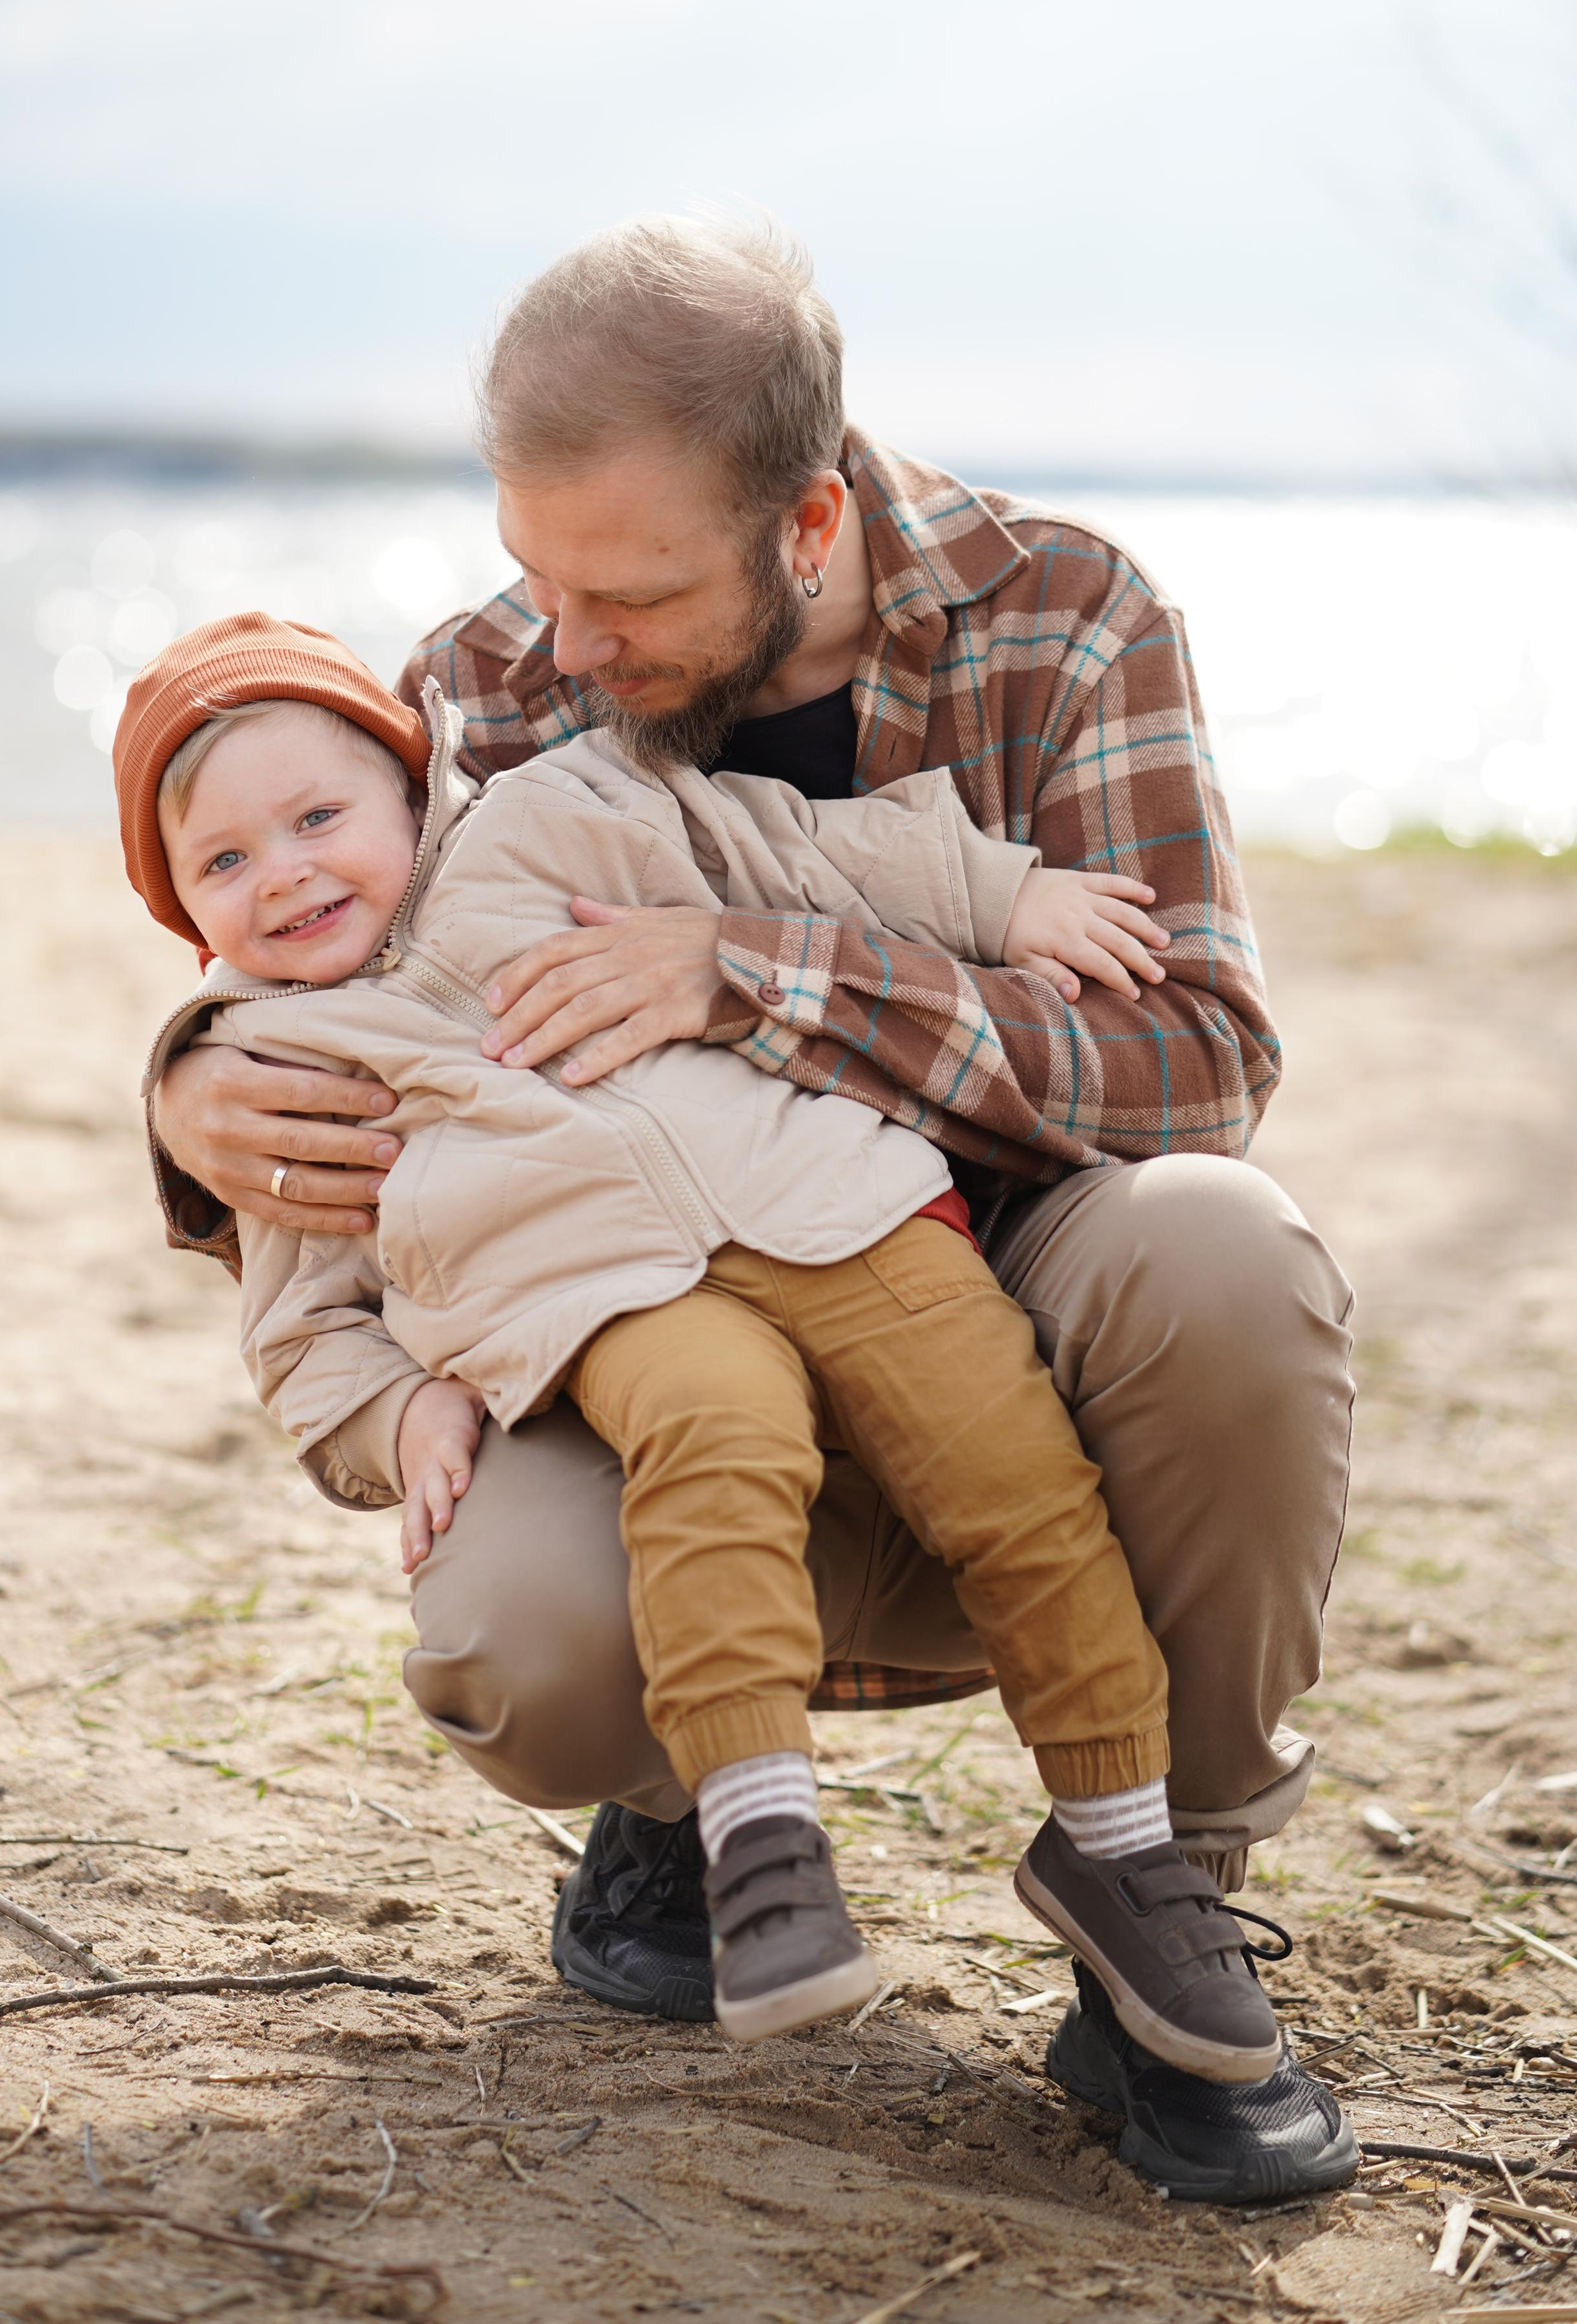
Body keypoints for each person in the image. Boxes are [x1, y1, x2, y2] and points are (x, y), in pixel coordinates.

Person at [148, 217, 1358, 2200]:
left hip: (987, 1275)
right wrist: (192, 1082)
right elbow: (347, 961)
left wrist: (760, 974)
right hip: (651, 1322)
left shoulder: (1070, 618)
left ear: (805, 525)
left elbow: (1196, 1060)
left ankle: (1165, 1893)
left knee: (1226, 1249)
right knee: (514, 1636)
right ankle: (679, 1796)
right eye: (536, 571)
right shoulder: (483, 682)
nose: (561, 646)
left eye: (626, 596)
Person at [117, 611, 1283, 2077]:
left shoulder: (560, 813)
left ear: (413, 787)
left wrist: (1005, 898)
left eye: (316, 818)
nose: (284, 872)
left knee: (1017, 1478)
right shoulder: (278, 1064)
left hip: (841, 1205)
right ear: (183, 911)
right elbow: (300, 1331)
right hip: (621, 1308)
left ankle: (1120, 1842)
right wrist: (397, 1412)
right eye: (223, 862)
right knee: (713, 1457)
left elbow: (794, 852)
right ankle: (762, 1851)